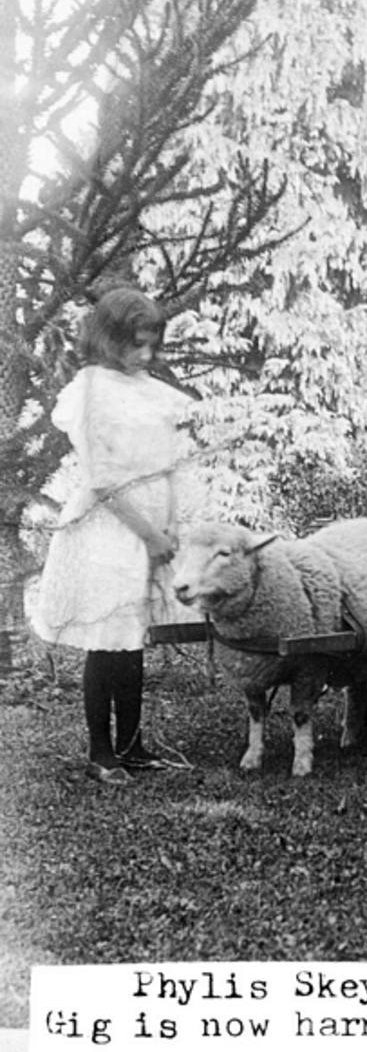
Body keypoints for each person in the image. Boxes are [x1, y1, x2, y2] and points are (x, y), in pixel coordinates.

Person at [32, 288, 193, 786]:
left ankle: (132, 743)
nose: (144, 356)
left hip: (149, 527)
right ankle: (101, 752)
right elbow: (103, 480)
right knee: (108, 640)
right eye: (135, 346)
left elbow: (166, 465)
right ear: (109, 338)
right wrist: (146, 534)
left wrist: (168, 527)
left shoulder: (151, 390)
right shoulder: (91, 390)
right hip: (111, 527)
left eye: (151, 345)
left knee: (133, 637)